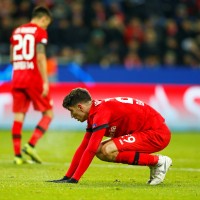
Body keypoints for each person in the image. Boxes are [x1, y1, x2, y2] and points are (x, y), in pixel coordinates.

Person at [49, 88, 172, 185]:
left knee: (107, 150)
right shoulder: (95, 112)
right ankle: (155, 162)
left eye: (71, 111)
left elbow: (90, 149)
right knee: (100, 151)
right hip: (144, 132)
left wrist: (75, 179)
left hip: (156, 134)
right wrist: (67, 177)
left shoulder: (100, 113)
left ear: (80, 107)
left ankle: (159, 161)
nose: (72, 116)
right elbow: (84, 147)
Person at [10, 6, 53, 165]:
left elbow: (12, 57)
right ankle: (31, 145)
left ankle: (17, 156)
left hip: (17, 77)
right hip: (33, 77)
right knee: (48, 114)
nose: (45, 27)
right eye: (46, 24)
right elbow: (41, 57)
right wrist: (45, 81)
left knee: (19, 116)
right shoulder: (39, 32)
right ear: (43, 19)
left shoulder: (16, 31)